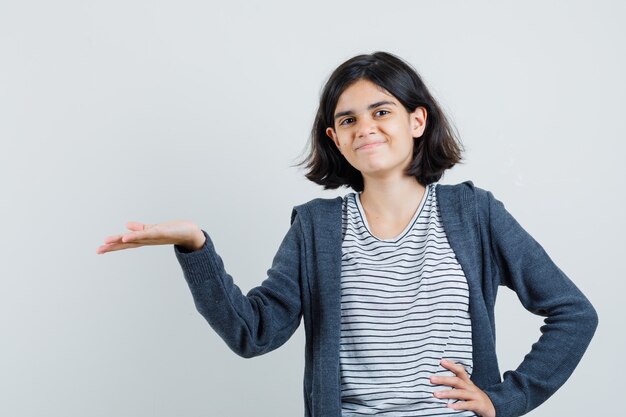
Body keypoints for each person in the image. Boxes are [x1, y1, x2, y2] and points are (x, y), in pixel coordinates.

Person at [97, 52, 598, 417]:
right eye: (349, 119)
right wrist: (195, 246)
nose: (367, 127)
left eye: (382, 111)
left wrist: (507, 398)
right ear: (336, 138)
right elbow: (253, 333)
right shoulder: (316, 228)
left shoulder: (474, 214)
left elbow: (573, 312)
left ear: (416, 120)